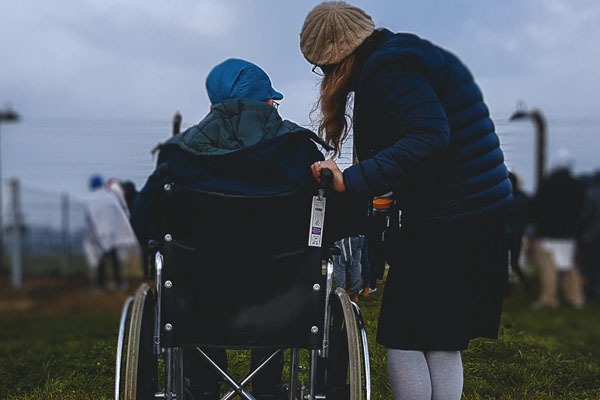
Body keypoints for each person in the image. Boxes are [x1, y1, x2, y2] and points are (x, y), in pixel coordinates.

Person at [300, 2, 512, 399]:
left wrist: (353, 178)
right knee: (440, 336)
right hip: (475, 211)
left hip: (450, 217)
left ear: (337, 58)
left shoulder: (389, 69)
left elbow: (430, 137)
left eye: (323, 67)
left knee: (403, 334)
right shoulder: (404, 54)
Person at [131, 58, 338, 400]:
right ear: (266, 102)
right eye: (272, 98)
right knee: (279, 278)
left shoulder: (179, 154)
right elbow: (333, 222)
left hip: (197, 299)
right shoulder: (300, 151)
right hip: (282, 300)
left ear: (215, 103)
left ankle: (203, 388)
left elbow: (143, 219)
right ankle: (269, 387)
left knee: (194, 282)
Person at [530, 148, 586, 309]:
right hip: (569, 234)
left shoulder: (547, 184)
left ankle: (549, 298)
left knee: (548, 267)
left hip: (548, 233)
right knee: (570, 266)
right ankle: (575, 298)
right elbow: (581, 209)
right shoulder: (576, 186)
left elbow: (537, 207)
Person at [82, 174, 138, 291]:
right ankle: (119, 283)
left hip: (100, 233)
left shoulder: (90, 200)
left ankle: (99, 285)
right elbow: (121, 212)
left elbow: (89, 219)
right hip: (115, 232)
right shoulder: (110, 196)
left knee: (100, 260)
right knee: (115, 259)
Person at [506, 171, 532, 293]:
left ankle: (507, 289)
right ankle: (527, 287)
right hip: (518, 233)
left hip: (503, 234)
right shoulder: (523, 198)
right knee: (515, 263)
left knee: (501, 262)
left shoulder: (501, 198)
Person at [334, 234, 365, 302]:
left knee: (340, 265)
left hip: (345, 236)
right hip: (360, 235)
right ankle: (354, 293)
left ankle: (341, 294)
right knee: (355, 265)